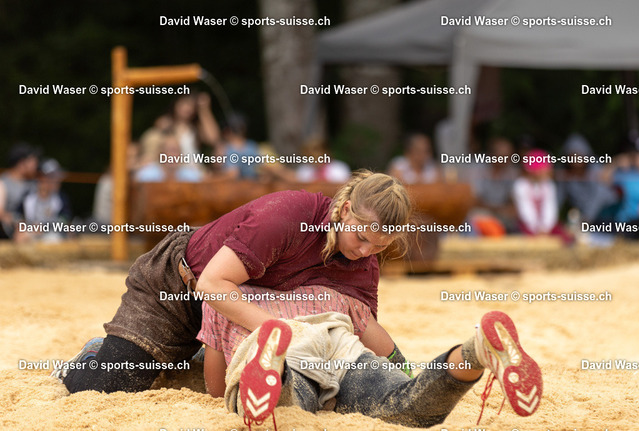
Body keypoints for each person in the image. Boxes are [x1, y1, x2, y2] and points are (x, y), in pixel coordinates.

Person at [52, 171, 411, 394]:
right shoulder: (287, 216)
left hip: (236, 310)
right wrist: (280, 335)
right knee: (102, 388)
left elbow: (360, 324)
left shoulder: (363, 262)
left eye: (380, 246)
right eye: (361, 238)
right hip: (178, 287)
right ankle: (97, 352)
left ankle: (198, 352)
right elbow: (211, 284)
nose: (366, 251)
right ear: (345, 210)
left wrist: (405, 373)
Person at [201, 299, 541, 429]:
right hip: (338, 339)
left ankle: (277, 371)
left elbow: (214, 389)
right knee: (407, 406)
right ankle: (475, 351)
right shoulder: (335, 284)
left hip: (286, 345)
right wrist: (403, 373)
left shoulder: (218, 300)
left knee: (285, 412)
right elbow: (382, 343)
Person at [20, 158, 73, 242]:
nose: (58, 181)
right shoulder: (28, 197)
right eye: (53, 177)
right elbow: (19, 218)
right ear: (42, 178)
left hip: (53, 235)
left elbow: (65, 218)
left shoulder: (61, 198)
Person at [0, 143, 40, 240]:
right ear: (22, 163)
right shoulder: (3, 183)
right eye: (32, 160)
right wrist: (18, 222)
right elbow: (1, 214)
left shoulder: (34, 184)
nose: (36, 163)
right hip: (11, 232)